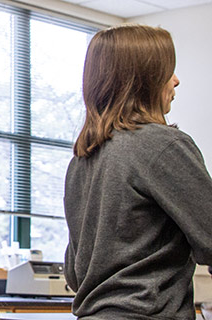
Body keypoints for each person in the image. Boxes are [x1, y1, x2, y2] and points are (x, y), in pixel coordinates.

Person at [64, 24, 212, 319]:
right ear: (145, 80)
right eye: (168, 71)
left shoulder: (81, 160)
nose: (176, 80)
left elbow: (74, 273)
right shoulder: (163, 146)